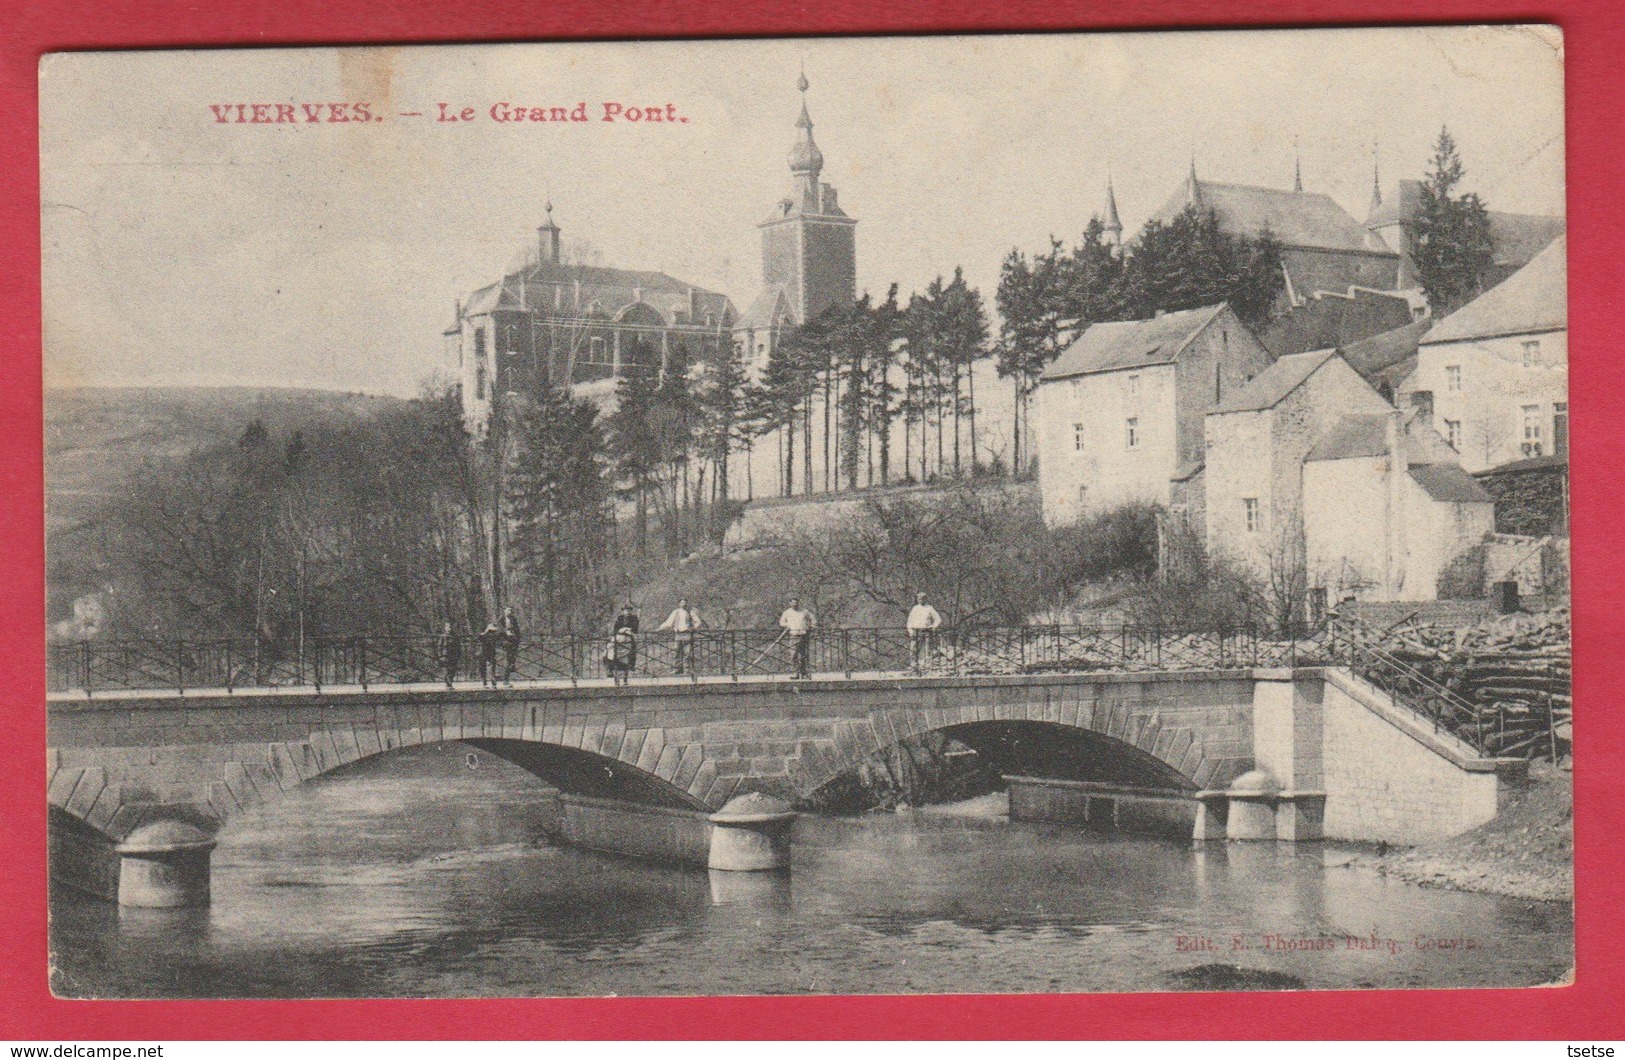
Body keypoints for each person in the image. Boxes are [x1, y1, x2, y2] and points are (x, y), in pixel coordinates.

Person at [657, 598, 703, 675]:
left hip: (687, 634)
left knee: (687, 653)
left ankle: (686, 670)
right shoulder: (676, 612)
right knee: (676, 652)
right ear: (679, 604)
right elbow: (669, 622)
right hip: (678, 634)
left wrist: (693, 628)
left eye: (685, 603)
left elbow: (698, 621)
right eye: (682, 603)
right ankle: (677, 669)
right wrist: (660, 628)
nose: (684, 604)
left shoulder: (690, 612)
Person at [906, 592, 943, 674]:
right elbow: (909, 621)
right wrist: (910, 631)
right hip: (916, 631)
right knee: (913, 649)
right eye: (918, 598)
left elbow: (938, 619)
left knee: (927, 649)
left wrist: (933, 627)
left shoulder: (929, 608)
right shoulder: (915, 608)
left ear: (925, 599)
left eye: (922, 598)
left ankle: (927, 665)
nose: (920, 600)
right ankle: (913, 665)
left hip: (926, 631)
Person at [778, 597, 815, 679]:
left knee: (803, 655)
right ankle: (796, 673)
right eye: (793, 603)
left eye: (796, 603)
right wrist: (788, 625)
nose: (795, 604)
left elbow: (812, 619)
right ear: (790, 603)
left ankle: (804, 673)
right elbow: (781, 622)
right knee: (793, 655)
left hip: (803, 635)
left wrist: (811, 627)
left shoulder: (804, 611)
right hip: (793, 636)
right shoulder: (787, 612)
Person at [612, 602, 639, 674]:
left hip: (629, 636)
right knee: (614, 648)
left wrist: (627, 629)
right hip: (620, 636)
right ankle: (615, 665)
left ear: (631, 611)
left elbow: (635, 628)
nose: (627, 612)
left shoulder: (634, 618)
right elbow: (615, 628)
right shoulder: (620, 618)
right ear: (623, 611)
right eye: (625, 610)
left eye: (629, 610)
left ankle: (631, 665)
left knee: (632, 648)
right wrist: (622, 630)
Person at [500, 606, 522, 685]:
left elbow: (517, 629)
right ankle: (505, 680)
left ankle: (510, 674)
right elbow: (499, 630)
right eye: (508, 610)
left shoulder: (513, 619)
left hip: (514, 641)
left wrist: (518, 639)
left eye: (511, 610)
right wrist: (506, 634)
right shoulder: (501, 619)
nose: (510, 611)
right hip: (506, 642)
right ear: (504, 611)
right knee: (508, 661)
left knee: (512, 660)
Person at [477, 622, 503, 688]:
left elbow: (500, 638)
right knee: (483, 668)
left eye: (493, 631)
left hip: (491, 653)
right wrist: (485, 632)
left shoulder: (495, 636)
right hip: (483, 653)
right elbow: (479, 637)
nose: (492, 632)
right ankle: (485, 682)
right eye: (491, 630)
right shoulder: (484, 636)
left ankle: (493, 681)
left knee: (492, 668)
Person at [437, 621, 460, 689]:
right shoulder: (443, 636)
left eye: (451, 627)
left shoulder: (455, 636)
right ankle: (448, 684)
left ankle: (450, 682)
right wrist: (440, 655)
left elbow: (458, 647)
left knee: (453, 670)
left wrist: (459, 655)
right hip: (446, 655)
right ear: (445, 628)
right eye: (448, 627)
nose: (450, 628)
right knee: (447, 670)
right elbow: (439, 646)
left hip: (454, 655)